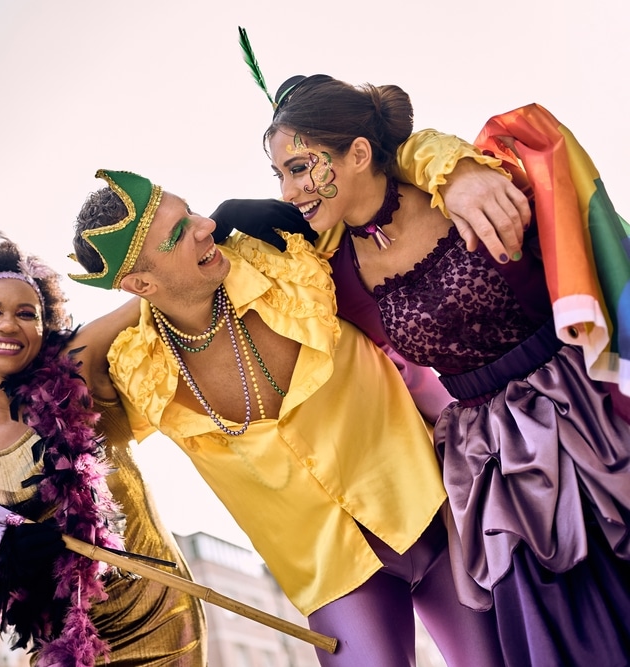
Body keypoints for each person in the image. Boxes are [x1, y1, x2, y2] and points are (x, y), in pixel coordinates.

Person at [227, 74, 630, 666]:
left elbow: (548, 160)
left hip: (588, 416)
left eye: (300, 167)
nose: (289, 190)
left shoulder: (468, 179)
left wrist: (449, 164)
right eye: (280, 174)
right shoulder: (327, 273)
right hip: (494, 466)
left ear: (359, 153)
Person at [69, 168, 508, 667]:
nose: (206, 226)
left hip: (435, 510)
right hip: (334, 578)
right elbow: (59, 368)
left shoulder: (282, 258)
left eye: (194, 212)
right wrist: (153, 301)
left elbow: (373, 182)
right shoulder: (140, 366)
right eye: (178, 232)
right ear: (139, 282)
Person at [0, 234, 207, 666]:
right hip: (63, 645)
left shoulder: (77, 373)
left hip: (157, 617)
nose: (8, 324)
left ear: (44, 330)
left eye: (26, 314)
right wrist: (14, 551)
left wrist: (209, 231)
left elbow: (151, 296)